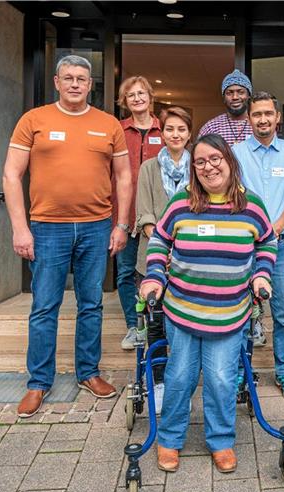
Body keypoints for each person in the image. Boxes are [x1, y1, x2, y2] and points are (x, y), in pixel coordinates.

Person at [139, 134, 277, 474]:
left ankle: (221, 440)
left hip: (229, 314)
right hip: (183, 311)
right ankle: (169, 439)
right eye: (200, 162)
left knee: (220, 378)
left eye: (215, 159)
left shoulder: (251, 206)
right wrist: (154, 275)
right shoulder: (181, 203)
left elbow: (267, 242)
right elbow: (159, 239)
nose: (208, 167)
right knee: (180, 376)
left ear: (229, 160)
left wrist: (261, 275)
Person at [3, 55, 132, 417]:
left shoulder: (108, 125)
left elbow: (123, 177)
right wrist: (19, 227)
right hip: (47, 227)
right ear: (57, 82)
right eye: (69, 78)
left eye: (82, 79)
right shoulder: (34, 120)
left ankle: (88, 373)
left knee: (91, 304)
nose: (75, 84)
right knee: (45, 306)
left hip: (96, 226)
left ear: (91, 85)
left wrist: (121, 225)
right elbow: (11, 175)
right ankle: (39, 382)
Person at [233, 91, 284, 400]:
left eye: (267, 113)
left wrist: (274, 229)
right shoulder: (235, 152)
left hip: (282, 244)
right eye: (256, 114)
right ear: (249, 119)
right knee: (239, 312)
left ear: (277, 118)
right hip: (243, 245)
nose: (262, 119)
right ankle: (240, 374)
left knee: (283, 312)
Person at [134, 105, 193, 414]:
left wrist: (181, 247)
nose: (175, 134)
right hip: (153, 260)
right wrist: (164, 245)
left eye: (181, 129)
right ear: (162, 131)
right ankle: (158, 384)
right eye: (170, 129)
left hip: (189, 262)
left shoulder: (199, 166)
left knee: (185, 325)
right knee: (156, 329)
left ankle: (184, 385)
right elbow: (144, 212)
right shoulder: (147, 168)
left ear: (189, 134)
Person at [117, 76, 165, 351]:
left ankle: (157, 324)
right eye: (130, 95)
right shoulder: (118, 130)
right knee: (125, 272)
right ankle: (134, 327)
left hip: (156, 219)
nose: (136, 98)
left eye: (141, 93)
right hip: (124, 214)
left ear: (150, 97)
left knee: (154, 270)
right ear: (124, 101)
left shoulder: (165, 128)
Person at [197, 69, 253, 146]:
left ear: (248, 95)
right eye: (229, 93)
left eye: (240, 92)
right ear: (224, 98)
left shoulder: (258, 124)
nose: (235, 97)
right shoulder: (211, 128)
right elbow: (199, 155)